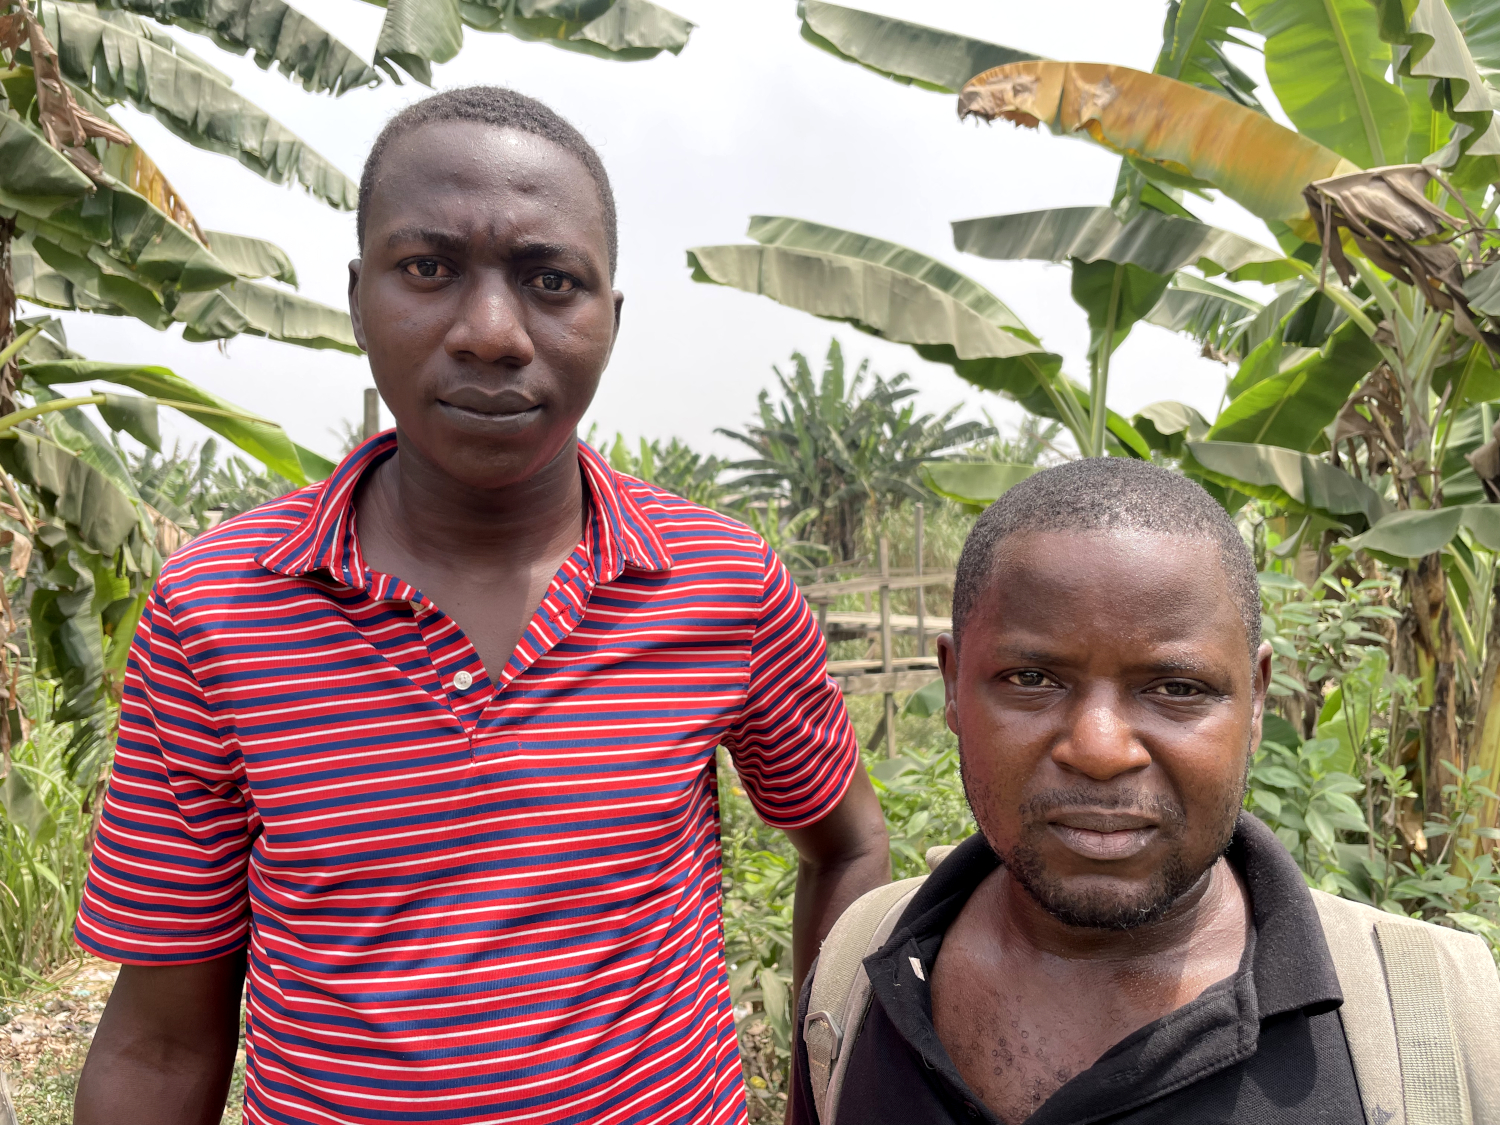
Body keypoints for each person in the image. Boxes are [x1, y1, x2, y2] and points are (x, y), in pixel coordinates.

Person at [71, 86, 889, 1125]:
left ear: (609, 319)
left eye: (552, 281)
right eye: (429, 269)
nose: (494, 333)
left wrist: (820, 1095)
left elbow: (849, 843)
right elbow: (157, 1040)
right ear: (361, 296)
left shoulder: (721, 585)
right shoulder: (219, 611)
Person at [789, 457, 1500, 1125]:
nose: (1100, 749)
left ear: (1255, 701)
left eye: (1177, 688)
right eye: (1032, 679)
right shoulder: (853, 975)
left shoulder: (1437, 1027)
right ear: (951, 685)